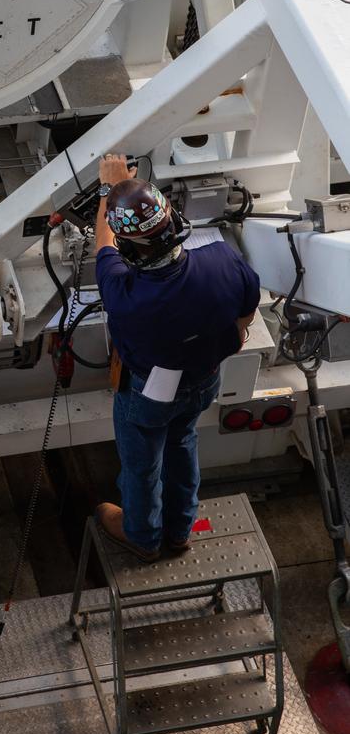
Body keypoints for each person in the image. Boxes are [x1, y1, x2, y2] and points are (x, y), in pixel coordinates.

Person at [92, 154, 260, 562]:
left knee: (142, 463)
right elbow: (246, 313)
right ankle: (180, 531)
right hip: (204, 380)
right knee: (183, 442)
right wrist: (234, 333)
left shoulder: (123, 292)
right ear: (174, 222)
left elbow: (104, 243)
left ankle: (142, 537)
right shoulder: (222, 259)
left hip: (149, 393)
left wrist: (109, 190)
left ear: (132, 246)